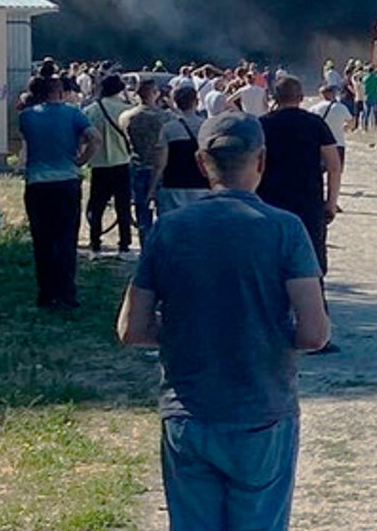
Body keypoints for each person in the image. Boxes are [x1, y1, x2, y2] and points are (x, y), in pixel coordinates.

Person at [116, 112, 329, 531]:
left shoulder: (170, 229)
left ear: (200, 163)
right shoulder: (285, 230)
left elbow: (131, 329)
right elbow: (315, 333)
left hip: (187, 413)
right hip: (261, 412)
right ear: (261, 160)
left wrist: (186, 330)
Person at [258, 77, 342, 313]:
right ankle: (316, 328)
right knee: (313, 263)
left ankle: (269, 322)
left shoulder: (262, 124)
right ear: (301, 97)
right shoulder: (315, 124)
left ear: (274, 97)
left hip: (269, 201)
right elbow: (334, 165)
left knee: (270, 262)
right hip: (308, 202)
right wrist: (331, 203)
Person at [17, 75, 98, 310]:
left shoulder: (27, 117)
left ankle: (46, 292)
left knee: (42, 239)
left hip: (37, 183)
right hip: (66, 181)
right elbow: (95, 138)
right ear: (61, 93)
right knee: (65, 238)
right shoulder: (73, 113)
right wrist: (81, 160)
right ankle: (66, 292)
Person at [83, 75, 138, 258]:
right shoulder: (128, 110)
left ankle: (95, 245)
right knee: (122, 207)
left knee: (96, 206)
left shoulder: (91, 110)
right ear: (120, 89)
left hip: (98, 164)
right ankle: (124, 246)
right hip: (121, 162)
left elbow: (83, 137)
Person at [120, 79, 170, 246]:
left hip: (137, 166)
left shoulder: (126, 117)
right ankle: (162, 247)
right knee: (164, 213)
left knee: (142, 213)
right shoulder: (166, 118)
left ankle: (145, 247)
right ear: (155, 93)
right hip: (162, 169)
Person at [153, 85, 210, 218]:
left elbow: (160, 163)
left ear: (176, 103)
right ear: (196, 102)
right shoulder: (207, 126)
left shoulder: (168, 128)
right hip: (202, 185)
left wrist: (152, 187)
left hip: (174, 185)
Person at [308, 84, 355, 214]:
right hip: (337, 144)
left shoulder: (314, 108)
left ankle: (318, 199)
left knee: (317, 174)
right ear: (332, 94)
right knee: (335, 174)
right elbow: (351, 123)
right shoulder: (340, 108)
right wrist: (345, 127)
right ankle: (332, 202)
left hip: (318, 145)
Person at [360, 65, 377, 130]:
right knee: (376, 112)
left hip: (367, 97)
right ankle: (376, 125)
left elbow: (362, 82)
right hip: (374, 96)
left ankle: (365, 127)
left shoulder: (365, 78)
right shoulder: (375, 78)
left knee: (367, 113)